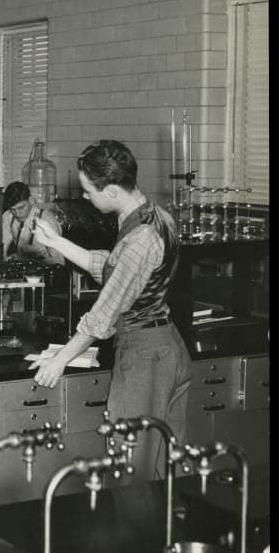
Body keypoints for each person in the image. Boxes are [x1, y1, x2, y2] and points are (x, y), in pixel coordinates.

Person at [30, 139, 191, 480]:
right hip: (167, 347)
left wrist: (60, 360)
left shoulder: (140, 236)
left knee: (128, 470)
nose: (86, 197)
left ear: (114, 189)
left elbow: (104, 314)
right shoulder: (155, 215)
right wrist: (56, 241)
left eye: (89, 191)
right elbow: (114, 269)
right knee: (166, 467)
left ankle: (135, 533)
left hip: (146, 357)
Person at [1, 181, 64, 265]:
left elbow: (59, 261)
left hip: (45, 269)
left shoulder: (46, 219)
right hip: (23, 268)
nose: (17, 214)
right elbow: (3, 249)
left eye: (21, 208)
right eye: (13, 209)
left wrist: (30, 262)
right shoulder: (8, 216)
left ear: (30, 200)